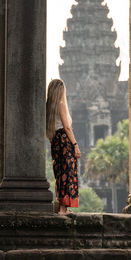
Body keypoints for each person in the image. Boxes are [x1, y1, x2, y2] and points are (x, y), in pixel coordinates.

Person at [46, 79, 81, 214]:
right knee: (68, 172)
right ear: (61, 91)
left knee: (60, 172)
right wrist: (75, 145)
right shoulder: (61, 105)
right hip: (64, 141)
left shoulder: (48, 107)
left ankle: (62, 206)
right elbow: (67, 127)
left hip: (54, 142)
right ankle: (62, 209)